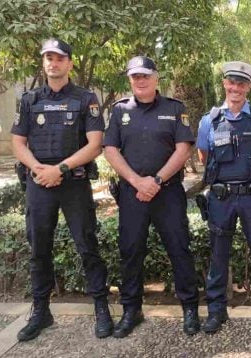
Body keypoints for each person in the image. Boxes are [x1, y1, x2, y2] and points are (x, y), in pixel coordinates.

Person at [11, 38, 113, 341]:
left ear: (69, 63)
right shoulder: (30, 100)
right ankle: (41, 311)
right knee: (39, 249)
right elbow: (18, 143)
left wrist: (60, 169)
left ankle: (101, 308)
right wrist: (39, 170)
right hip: (39, 184)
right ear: (43, 63)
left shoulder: (85, 98)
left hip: (74, 183)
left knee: (87, 246)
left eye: (58, 58)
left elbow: (96, 143)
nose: (52, 63)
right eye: (48, 58)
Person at [103, 56, 200, 337]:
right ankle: (132, 310)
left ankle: (190, 308)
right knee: (131, 251)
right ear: (130, 80)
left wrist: (157, 181)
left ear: (156, 77)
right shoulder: (119, 111)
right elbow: (111, 150)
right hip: (133, 194)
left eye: (145, 75)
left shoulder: (174, 108)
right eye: (135, 77)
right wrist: (137, 182)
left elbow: (183, 149)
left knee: (179, 248)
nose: (140, 80)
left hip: (167, 192)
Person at [196, 61, 251, 334]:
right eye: (231, 82)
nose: (236, 88)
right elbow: (203, 156)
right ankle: (216, 311)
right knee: (219, 255)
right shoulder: (209, 120)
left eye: (241, 84)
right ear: (224, 84)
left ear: (248, 87)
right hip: (221, 198)